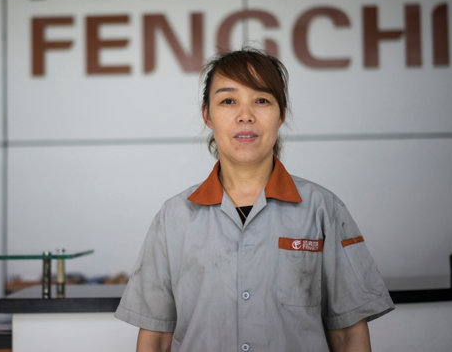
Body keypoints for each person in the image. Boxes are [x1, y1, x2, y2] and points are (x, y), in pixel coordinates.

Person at [115, 49, 394, 352]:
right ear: (207, 115)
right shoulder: (174, 217)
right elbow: (155, 339)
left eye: (261, 100)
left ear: (281, 114)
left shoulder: (323, 209)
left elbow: (349, 335)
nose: (245, 115)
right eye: (228, 101)